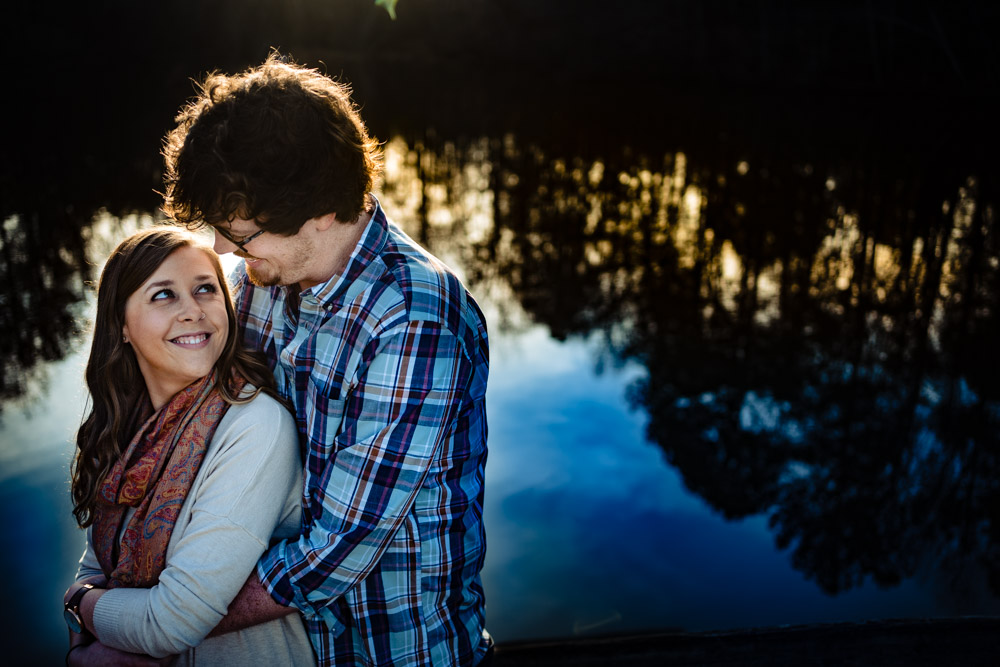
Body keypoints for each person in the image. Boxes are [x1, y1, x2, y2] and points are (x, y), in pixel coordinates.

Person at [158, 53, 493, 666]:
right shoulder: (256, 281)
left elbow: (336, 550)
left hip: (396, 650)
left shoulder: (414, 320)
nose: (220, 251)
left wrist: (159, 629)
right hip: (293, 649)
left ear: (320, 210)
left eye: (240, 236)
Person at [63, 227, 315, 666]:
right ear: (121, 325)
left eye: (205, 289)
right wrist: (85, 647)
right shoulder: (126, 430)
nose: (192, 311)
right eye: (163, 296)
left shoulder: (254, 427)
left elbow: (172, 621)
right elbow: (95, 569)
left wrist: (79, 609)